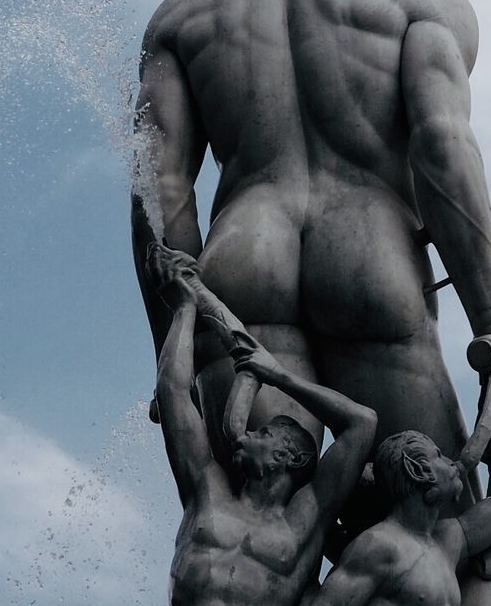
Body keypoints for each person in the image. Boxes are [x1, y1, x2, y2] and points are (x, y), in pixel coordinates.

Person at [132, 0, 491, 471]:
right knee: (428, 523)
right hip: (373, 256)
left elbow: (159, 188)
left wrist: (174, 354)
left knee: (260, 522)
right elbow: (442, 144)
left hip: (243, 257)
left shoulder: (180, 14)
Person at [146, 242, 377, 606]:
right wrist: (184, 308)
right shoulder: (207, 490)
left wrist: (280, 376)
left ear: (293, 458)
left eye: (265, 433)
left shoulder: (307, 518)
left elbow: (362, 423)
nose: (250, 433)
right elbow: (173, 392)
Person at [314, 368, 491, 606]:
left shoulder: (447, 541)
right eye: (438, 455)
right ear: (417, 471)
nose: (450, 460)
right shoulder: (378, 545)